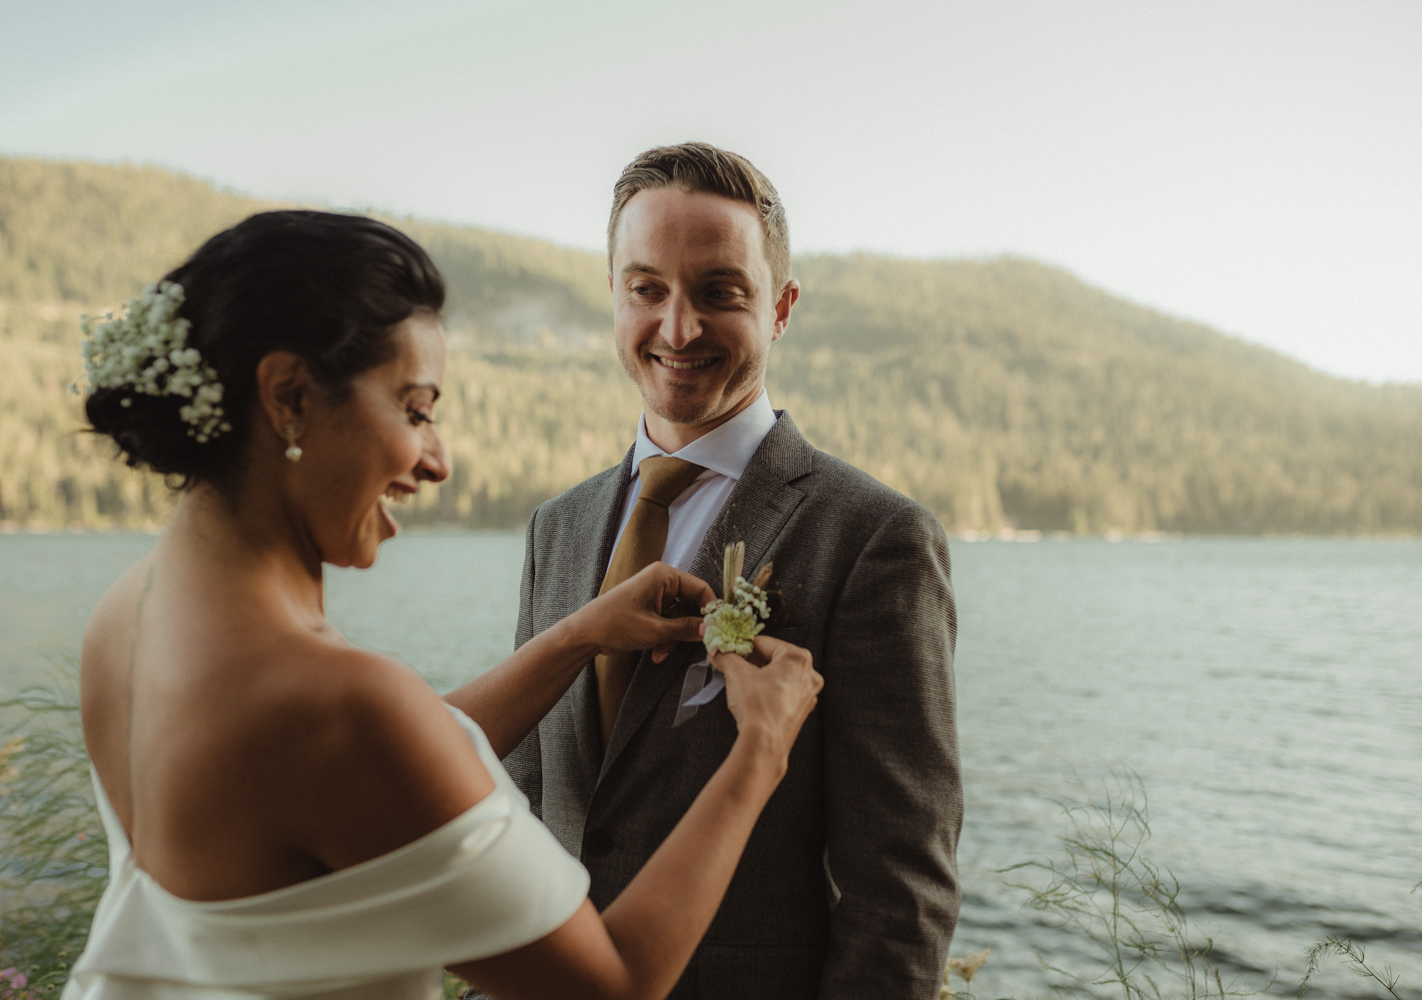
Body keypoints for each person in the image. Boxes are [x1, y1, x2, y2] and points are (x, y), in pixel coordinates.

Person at [63, 209, 822, 1000]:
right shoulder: (340, 704)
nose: (437, 461)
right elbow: (614, 987)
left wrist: (575, 636)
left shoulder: (126, 615)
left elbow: (370, 773)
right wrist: (759, 749)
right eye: (416, 409)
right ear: (289, 396)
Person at [488, 143, 962, 999]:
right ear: (614, 295)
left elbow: (899, 890)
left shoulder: (874, 538)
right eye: (647, 289)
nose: (678, 328)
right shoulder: (555, 530)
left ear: (779, 308)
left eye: (720, 291)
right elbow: (515, 807)